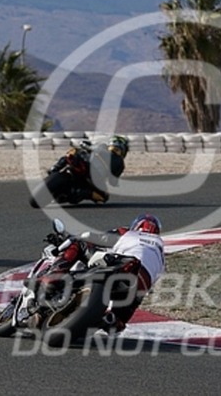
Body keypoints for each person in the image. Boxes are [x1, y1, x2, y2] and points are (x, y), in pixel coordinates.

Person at [37, 213, 165, 333]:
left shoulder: (128, 233)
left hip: (123, 264)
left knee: (80, 243)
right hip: (139, 284)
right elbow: (148, 286)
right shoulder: (161, 257)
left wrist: (71, 238)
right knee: (118, 320)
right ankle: (111, 320)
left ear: (136, 225)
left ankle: (55, 273)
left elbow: (96, 238)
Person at [47, 135, 128, 204]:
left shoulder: (101, 146)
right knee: (104, 197)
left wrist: (84, 147)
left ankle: (56, 167)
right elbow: (112, 182)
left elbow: (85, 146)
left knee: (73, 152)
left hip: (84, 167)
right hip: (93, 178)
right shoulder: (120, 162)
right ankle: (83, 193)